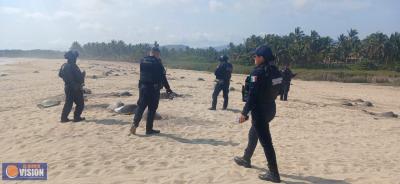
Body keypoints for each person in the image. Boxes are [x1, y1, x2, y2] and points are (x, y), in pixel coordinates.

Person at [234, 45, 282, 183]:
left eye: (255, 56)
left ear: (262, 58)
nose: (253, 58)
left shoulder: (258, 73)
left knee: (266, 142)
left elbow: (252, 96)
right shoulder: (276, 71)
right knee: (253, 133)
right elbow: (279, 90)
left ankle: (274, 174)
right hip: (271, 108)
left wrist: (244, 113)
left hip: (260, 111)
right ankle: (246, 158)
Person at [129, 45, 173, 135]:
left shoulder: (143, 60)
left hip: (142, 88)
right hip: (154, 89)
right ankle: (149, 129)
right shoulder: (158, 62)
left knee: (141, 107)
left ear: (150, 52)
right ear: (157, 53)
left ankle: (134, 124)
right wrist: (168, 89)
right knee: (152, 109)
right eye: (158, 54)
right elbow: (163, 78)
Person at [59, 50, 86, 122]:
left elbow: (60, 75)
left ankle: (64, 118)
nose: (76, 59)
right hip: (74, 88)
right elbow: (76, 77)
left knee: (68, 103)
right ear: (73, 58)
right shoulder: (72, 66)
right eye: (75, 57)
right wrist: (82, 76)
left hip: (68, 87)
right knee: (80, 104)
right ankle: (76, 117)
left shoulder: (64, 65)